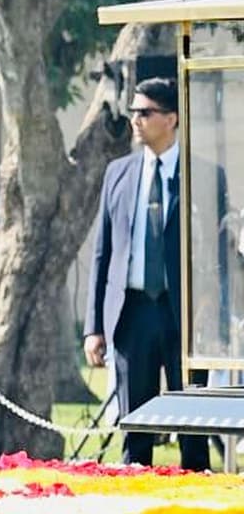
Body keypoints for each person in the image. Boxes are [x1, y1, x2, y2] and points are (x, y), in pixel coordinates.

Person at [84, 78, 209, 470]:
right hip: (131, 313)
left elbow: (214, 257)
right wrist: (93, 327)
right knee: (135, 429)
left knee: (193, 428)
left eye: (145, 112)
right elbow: (102, 255)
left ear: (171, 118)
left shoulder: (202, 174)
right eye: (133, 112)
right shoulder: (117, 174)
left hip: (184, 315)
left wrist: (212, 313)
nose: (135, 120)